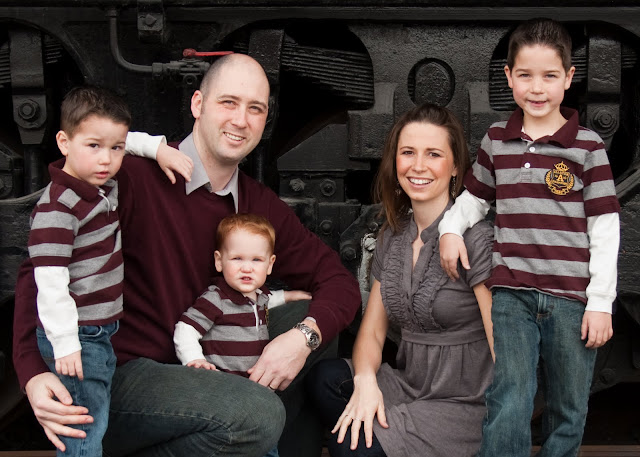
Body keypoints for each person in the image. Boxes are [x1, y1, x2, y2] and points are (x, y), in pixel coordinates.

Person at [14, 53, 361, 457]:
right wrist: (32, 373)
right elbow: (41, 266)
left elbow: (338, 282)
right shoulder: (130, 175)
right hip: (117, 375)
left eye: (255, 109)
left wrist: (304, 338)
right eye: (228, 102)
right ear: (198, 104)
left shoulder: (257, 204)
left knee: (312, 323)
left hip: (200, 367)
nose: (240, 120)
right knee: (257, 415)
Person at [438, 18, 620, 457]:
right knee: (510, 395)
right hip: (512, 293)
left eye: (549, 76)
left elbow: (605, 227)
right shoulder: (497, 140)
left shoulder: (588, 147)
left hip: (572, 298)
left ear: (569, 78)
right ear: (508, 76)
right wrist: (449, 229)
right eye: (525, 75)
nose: (537, 88)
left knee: (569, 404)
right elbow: (473, 200)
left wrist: (600, 302)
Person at [307, 103, 495, 457]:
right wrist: (365, 382)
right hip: (410, 385)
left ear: (456, 166)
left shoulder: (475, 238)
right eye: (408, 152)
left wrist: (509, 418)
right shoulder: (393, 237)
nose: (418, 166)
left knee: (350, 448)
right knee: (325, 380)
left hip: (463, 400)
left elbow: (501, 339)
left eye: (433, 154)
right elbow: (372, 333)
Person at [27, 86, 192, 457]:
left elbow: (120, 137)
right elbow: (50, 281)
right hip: (78, 336)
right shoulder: (58, 209)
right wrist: (66, 343)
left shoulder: (96, 184)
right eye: (94, 147)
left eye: (115, 149)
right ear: (63, 142)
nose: (107, 159)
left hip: (97, 333)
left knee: (94, 419)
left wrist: (157, 149)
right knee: (84, 429)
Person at [174, 213, 312, 457]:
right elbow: (185, 328)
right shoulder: (216, 298)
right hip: (224, 392)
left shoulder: (259, 297)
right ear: (219, 261)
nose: (247, 268)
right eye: (237, 258)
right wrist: (194, 360)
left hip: (256, 395)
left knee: (265, 440)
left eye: (257, 260)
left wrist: (291, 296)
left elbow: (271, 299)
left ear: (270, 264)